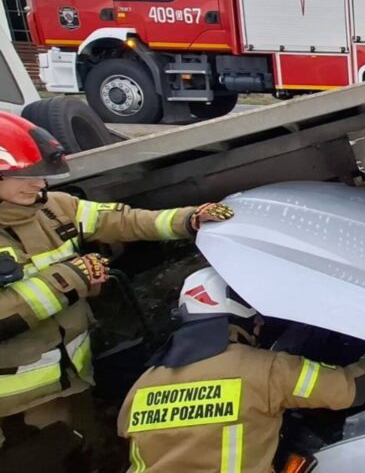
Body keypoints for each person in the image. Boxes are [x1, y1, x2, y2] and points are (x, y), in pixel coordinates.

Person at [0, 111, 234, 471]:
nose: (38, 185)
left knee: (86, 455)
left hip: (74, 384)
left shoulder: (54, 209)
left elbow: (122, 220)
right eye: (24, 177)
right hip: (14, 411)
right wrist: (69, 280)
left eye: (41, 175)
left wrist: (188, 219)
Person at [118, 268, 365, 472]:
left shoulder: (140, 387)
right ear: (239, 315)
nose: (260, 326)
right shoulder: (265, 369)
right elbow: (350, 390)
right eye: (257, 320)